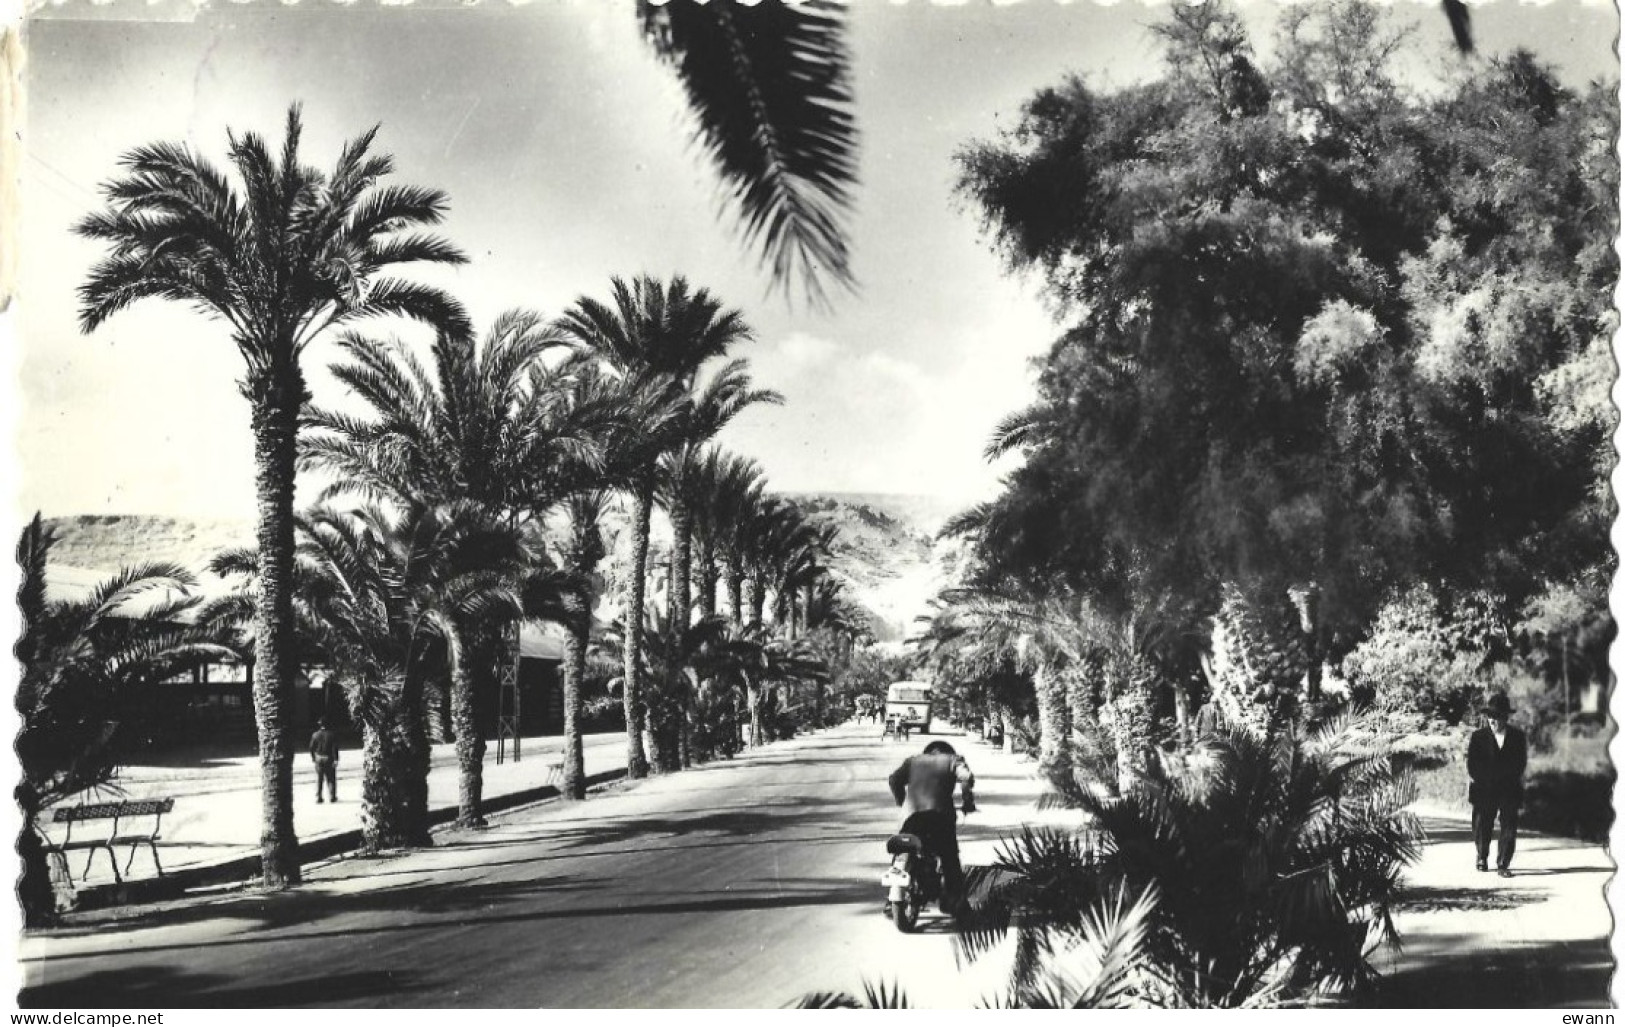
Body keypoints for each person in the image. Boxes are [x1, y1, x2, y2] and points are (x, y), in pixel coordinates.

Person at [888, 739, 976, 913]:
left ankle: (888, 902)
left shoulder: (913, 761)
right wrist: (967, 801)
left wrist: (901, 801)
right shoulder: (953, 760)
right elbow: (966, 778)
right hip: (940, 818)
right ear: (947, 751)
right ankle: (956, 900)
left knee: (903, 850)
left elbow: (894, 780)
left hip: (911, 819)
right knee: (950, 857)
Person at [1467, 691, 1528, 878]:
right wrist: (1486, 780)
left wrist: (1506, 779)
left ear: (1505, 717)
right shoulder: (1478, 737)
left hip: (1509, 788)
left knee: (1509, 826)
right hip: (1484, 788)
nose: (1492, 720)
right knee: (1482, 824)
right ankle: (1482, 856)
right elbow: (1472, 765)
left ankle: (1503, 863)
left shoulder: (1518, 737)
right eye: (1489, 716)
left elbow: (1520, 763)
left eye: (1496, 716)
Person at [310, 717, 340, 804]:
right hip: (328, 758)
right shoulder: (332, 734)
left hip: (319, 758)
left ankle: (319, 797)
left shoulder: (315, 735)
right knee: (330, 778)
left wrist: (313, 758)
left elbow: (311, 748)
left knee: (319, 778)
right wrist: (336, 759)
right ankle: (332, 796)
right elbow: (335, 748)